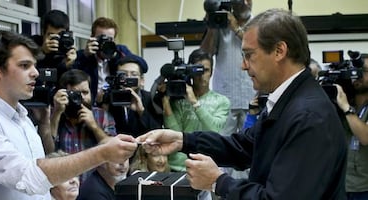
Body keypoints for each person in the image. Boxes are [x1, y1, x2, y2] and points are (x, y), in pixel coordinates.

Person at [137, 9, 347, 199]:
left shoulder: (308, 116)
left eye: (249, 55)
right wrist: (183, 140)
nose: (243, 65)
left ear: (279, 51)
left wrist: (218, 182)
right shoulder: (288, 101)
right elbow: (243, 146)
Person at [0, 30, 137, 199]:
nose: (35, 73)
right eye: (24, 65)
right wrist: (102, 153)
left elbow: (41, 189)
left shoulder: (22, 118)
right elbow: (29, 178)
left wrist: (44, 123)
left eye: (34, 65)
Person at [161, 48, 230, 172]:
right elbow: (175, 134)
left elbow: (214, 129)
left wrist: (195, 103)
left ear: (212, 72)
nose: (202, 76)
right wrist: (166, 103)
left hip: (207, 167)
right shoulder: (178, 99)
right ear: (190, 72)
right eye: (198, 71)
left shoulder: (222, 101)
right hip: (178, 167)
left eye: (206, 70)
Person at [201, 0, 256, 134]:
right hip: (225, 98)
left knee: (252, 144)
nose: (245, 3)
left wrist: (236, 28)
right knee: (223, 146)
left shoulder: (259, 23)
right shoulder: (221, 24)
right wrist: (212, 24)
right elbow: (205, 53)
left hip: (252, 97)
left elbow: (259, 47)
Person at [74, 17, 132, 104]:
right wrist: (85, 57)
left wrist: (116, 55)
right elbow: (72, 79)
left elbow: (142, 66)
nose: (106, 43)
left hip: (114, 106)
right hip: (89, 106)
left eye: (110, 39)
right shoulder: (81, 56)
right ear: (92, 38)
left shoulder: (120, 52)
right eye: (102, 38)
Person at [335, 53, 368, 200]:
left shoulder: (345, 106)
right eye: (355, 71)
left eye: (364, 71)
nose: (358, 75)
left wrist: (347, 108)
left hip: (364, 187)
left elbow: (365, 138)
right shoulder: (343, 102)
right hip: (341, 184)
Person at [105, 54, 163, 138]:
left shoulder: (152, 99)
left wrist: (141, 112)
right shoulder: (109, 98)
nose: (128, 78)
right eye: (123, 74)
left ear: (142, 80)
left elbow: (157, 132)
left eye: (133, 74)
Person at [33, 9, 77, 79]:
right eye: (52, 36)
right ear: (43, 33)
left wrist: (68, 65)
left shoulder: (66, 49)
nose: (55, 41)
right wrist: (41, 51)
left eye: (59, 36)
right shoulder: (33, 44)